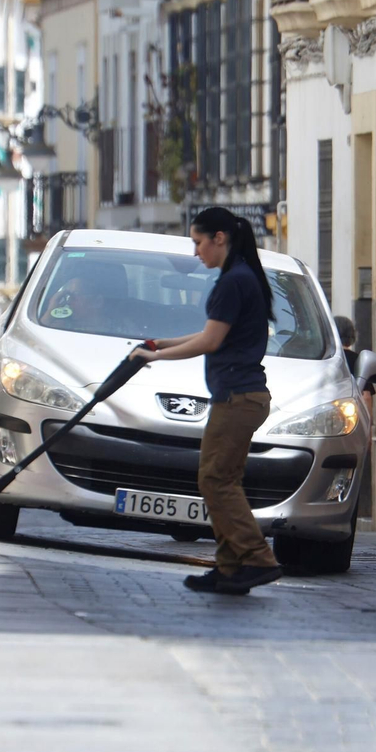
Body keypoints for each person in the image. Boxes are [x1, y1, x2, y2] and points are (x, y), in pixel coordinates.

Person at [131, 208, 281, 595]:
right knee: (223, 480)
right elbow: (210, 333)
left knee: (214, 480)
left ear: (219, 238)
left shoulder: (233, 281)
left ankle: (257, 558)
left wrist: (155, 356)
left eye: (198, 242)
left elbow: (210, 342)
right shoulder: (242, 276)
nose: (196, 252)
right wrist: (161, 343)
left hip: (237, 398)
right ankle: (230, 567)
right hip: (241, 396)